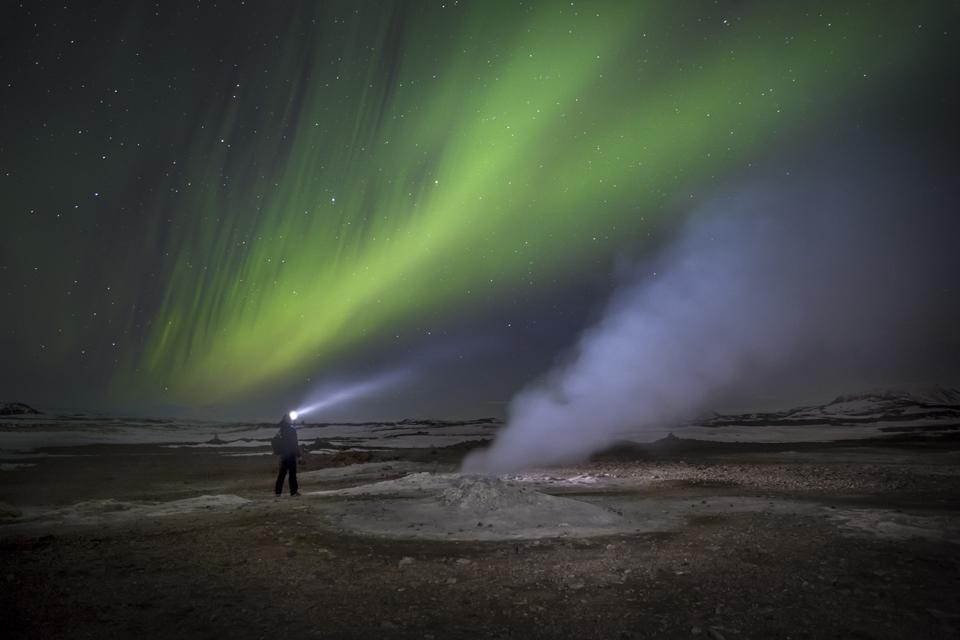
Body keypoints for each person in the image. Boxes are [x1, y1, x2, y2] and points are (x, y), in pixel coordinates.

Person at [274, 413, 301, 496]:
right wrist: (298, 455)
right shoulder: (292, 430)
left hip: (284, 455)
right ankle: (293, 491)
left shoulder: (281, 430)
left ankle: (278, 492)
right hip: (291, 454)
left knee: (282, 474)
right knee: (292, 474)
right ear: (289, 420)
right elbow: (294, 443)